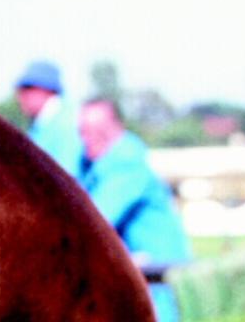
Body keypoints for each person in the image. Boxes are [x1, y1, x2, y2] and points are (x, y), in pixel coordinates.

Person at [78, 97, 192, 322]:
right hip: (142, 280)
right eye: (83, 131)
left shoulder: (127, 165)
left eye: (98, 131)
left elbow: (93, 222)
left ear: (117, 128)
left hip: (157, 283)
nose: (88, 138)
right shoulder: (101, 165)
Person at [13, 60, 82, 176]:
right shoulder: (41, 125)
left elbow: (66, 179)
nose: (21, 95)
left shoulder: (67, 125)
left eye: (28, 88)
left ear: (47, 89)